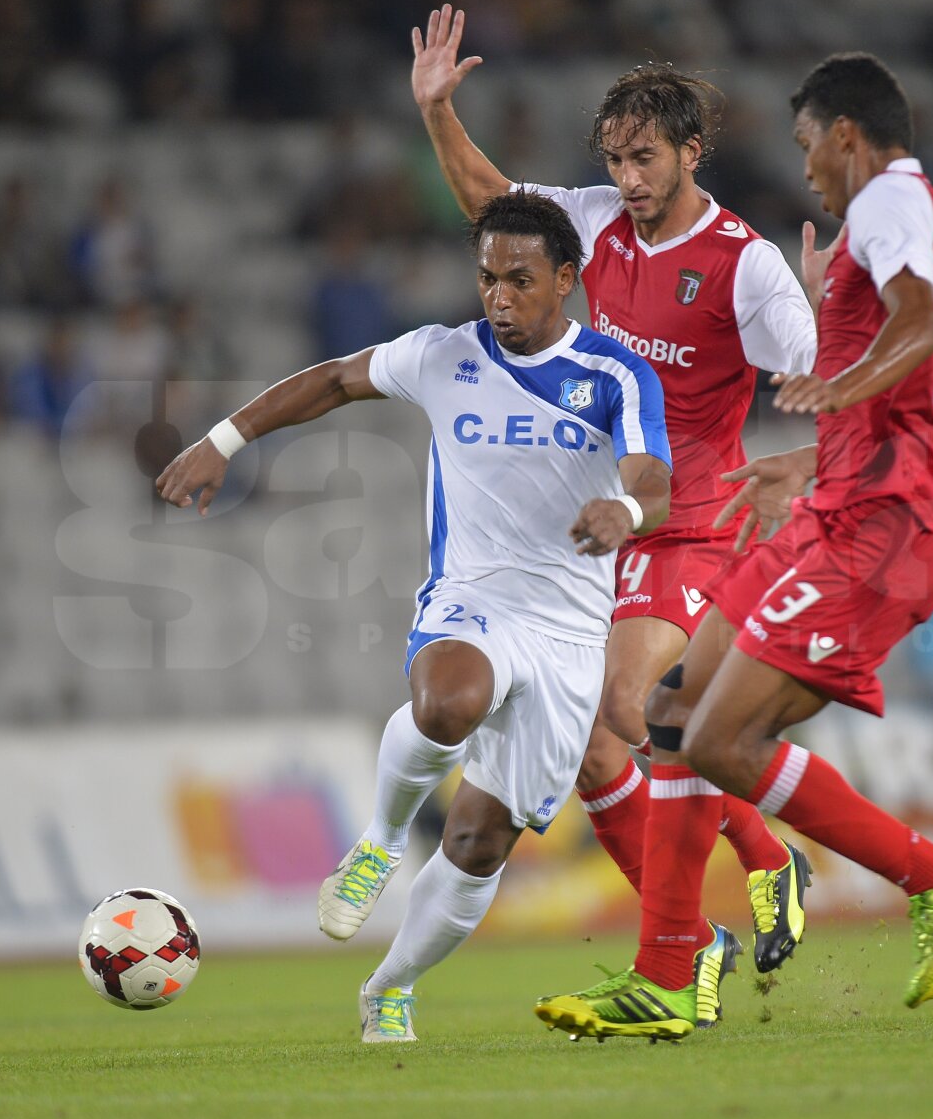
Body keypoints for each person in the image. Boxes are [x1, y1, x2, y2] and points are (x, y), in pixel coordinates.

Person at [535, 52, 933, 1041]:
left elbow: (917, 327)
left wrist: (837, 383)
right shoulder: (884, 224)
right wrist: (817, 438)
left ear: (844, 135)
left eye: (806, 146)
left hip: (888, 522)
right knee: (668, 709)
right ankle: (667, 970)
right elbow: (909, 339)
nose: (806, 172)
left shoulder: (887, 200)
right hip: (844, 500)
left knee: (718, 738)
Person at [156, 190, 676, 1043]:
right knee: (447, 700)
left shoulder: (616, 374)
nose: (498, 297)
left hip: (571, 631)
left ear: (567, 281)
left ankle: (388, 985)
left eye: (519, 279)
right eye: (486, 279)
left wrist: (624, 507)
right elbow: (330, 381)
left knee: (478, 843)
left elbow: (653, 480)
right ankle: (377, 841)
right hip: (472, 596)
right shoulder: (442, 354)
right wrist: (223, 440)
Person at [412, 4, 818, 1000]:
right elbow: (492, 206)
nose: (628, 178)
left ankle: (772, 862)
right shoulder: (589, 220)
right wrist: (436, 112)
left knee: (631, 705)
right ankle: (688, 941)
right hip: (602, 524)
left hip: (693, 522)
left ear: (691, 151)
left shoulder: (746, 266)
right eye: (615, 158)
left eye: (645, 158)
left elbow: (822, 382)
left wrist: (809, 442)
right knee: (582, 741)